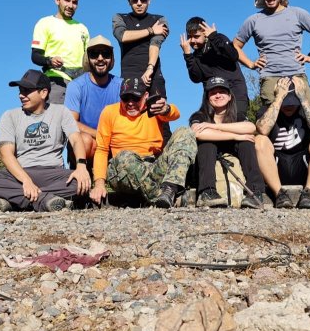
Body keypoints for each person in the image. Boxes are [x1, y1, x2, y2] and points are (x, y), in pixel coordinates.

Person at [0, 70, 91, 212]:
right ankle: (44, 200)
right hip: (21, 173)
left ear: (43, 93)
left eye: (27, 91)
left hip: (53, 173)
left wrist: (81, 167)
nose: (21, 95)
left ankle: (17, 201)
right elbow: (6, 154)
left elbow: (76, 139)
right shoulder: (10, 116)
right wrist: (26, 181)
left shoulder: (61, 112)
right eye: (20, 91)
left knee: (81, 182)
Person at [89, 78, 196, 208]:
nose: (130, 103)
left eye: (135, 98)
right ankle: (163, 196)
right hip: (123, 169)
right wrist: (99, 184)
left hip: (153, 166)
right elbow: (101, 149)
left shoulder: (153, 109)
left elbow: (175, 114)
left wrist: (165, 109)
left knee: (185, 131)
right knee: (125, 157)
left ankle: (169, 188)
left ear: (145, 96)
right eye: (125, 98)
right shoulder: (109, 112)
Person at [233, 0, 310, 106]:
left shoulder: (297, 13)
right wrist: (251, 64)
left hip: (297, 75)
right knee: (271, 121)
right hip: (269, 77)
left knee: (309, 119)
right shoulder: (254, 20)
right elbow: (235, 45)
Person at [254, 77, 310, 209]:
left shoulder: (307, 108)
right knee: (260, 140)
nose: (289, 106)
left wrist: (302, 98)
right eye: (286, 102)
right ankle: (279, 194)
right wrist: (279, 99)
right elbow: (262, 129)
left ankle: (308, 193)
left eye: (292, 102)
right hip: (276, 164)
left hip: (301, 163)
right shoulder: (266, 109)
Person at [189, 77, 264, 209]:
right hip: (206, 159)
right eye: (213, 93)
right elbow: (197, 133)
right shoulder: (199, 115)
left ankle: (255, 192)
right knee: (207, 144)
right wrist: (235, 136)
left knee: (246, 142)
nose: (218, 95)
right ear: (207, 98)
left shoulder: (238, 115)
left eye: (222, 92)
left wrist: (214, 127)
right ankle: (207, 192)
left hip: (233, 154)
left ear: (229, 96)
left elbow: (251, 128)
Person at [64, 35, 122, 162]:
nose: (100, 58)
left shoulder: (121, 85)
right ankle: (83, 174)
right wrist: (100, 135)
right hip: (90, 140)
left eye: (106, 54)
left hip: (114, 140)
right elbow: (71, 122)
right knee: (85, 140)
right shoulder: (76, 86)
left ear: (111, 58)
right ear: (87, 58)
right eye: (94, 54)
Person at [112, 0, 169, 104]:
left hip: (153, 77)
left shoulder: (159, 19)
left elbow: (155, 44)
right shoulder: (120, 18)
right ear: (129, 1)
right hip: (129, 78)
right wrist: (151, 30)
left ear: (149, 0)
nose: (139, 3)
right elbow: (122, 36)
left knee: (159, 115)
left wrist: (150, 68)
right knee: (129, 119)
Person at [31, 0, 90, 104]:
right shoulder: (45, 23)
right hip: (56, 81)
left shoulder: (83, 28)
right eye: (67, 0)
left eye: (74, 2)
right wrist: (49, 61)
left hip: (80, 84)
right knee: (55, 121)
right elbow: (35, 56)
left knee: (78, 122)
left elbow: (89, 60)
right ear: (57, 1)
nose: (70, 5)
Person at [181, 17, 249, 120]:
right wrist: (187, 55)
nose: (193, 40)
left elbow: (233, 55)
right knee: (200, 122)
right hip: (213, 98)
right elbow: (196, 78)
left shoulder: (218, 39)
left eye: (196, 36)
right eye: (190, 37)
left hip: (235, 93)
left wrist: (214, 37)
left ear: (204, 32)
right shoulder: (195, 56)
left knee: (237, 122)